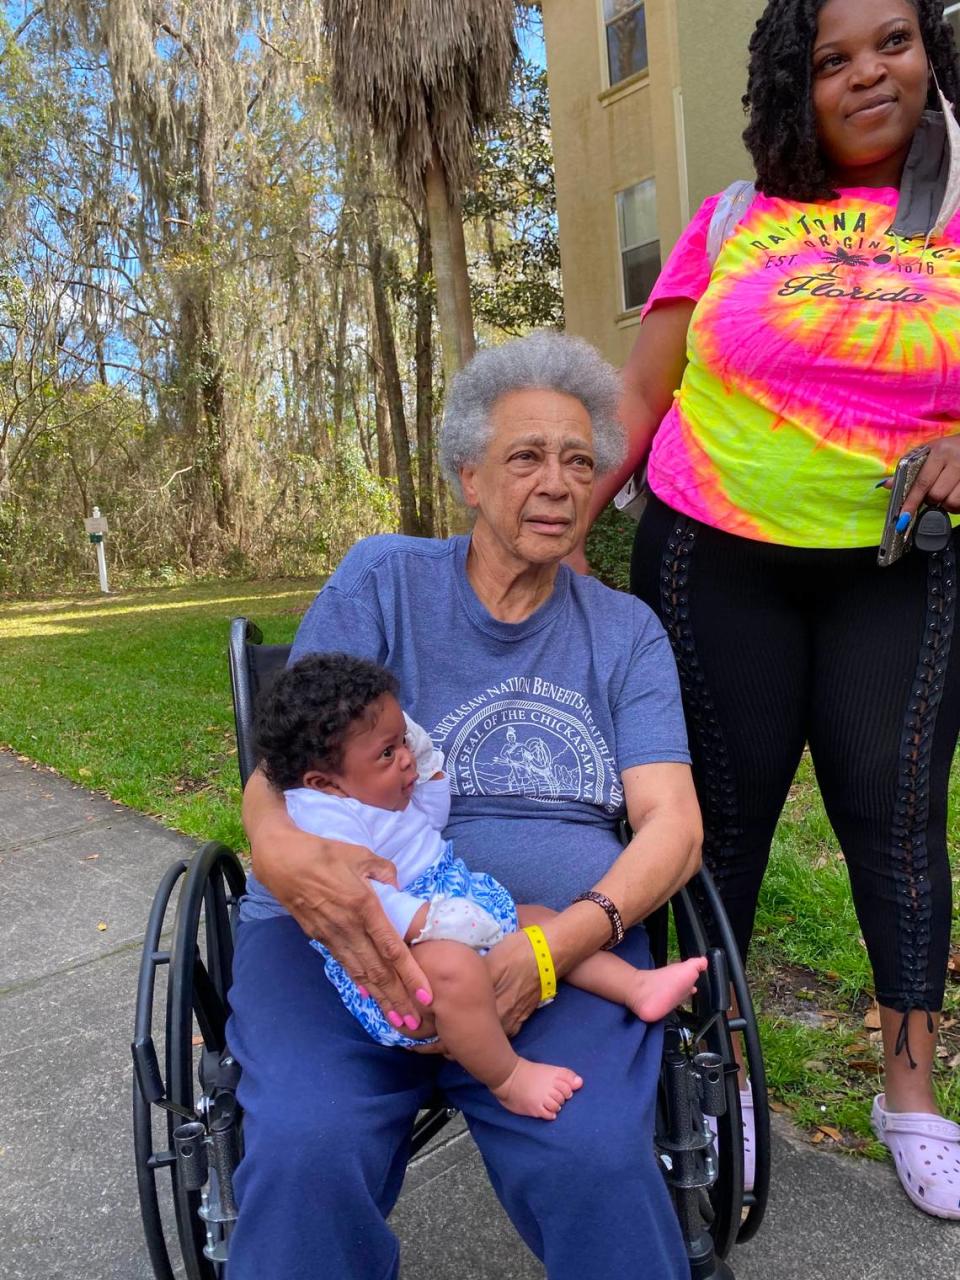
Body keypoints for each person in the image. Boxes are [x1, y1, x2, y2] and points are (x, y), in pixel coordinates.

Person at [578, 0, 960, 1220]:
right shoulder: (733, 220)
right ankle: (720, 1070)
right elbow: (645, 390)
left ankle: (910, 1093)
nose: (865, 75)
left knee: (896, 824)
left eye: (890, 43)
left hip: (902, 566)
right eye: (831, 59)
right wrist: (569, 522)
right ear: (796, 85)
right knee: (713, 830)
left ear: (931, 52)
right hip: (714, 560)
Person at [228, 330, 703, 1280]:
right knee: (306, 1145)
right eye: (525, 456)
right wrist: (279, 855)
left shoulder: (625, 633)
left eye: (579, 461)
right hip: (344, 930)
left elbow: (674, 827)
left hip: (552, 942)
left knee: (599, 1156)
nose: (558, 484)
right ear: (469, 479)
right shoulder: (385, 579)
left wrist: (555, 947)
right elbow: (281, 765)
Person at [253, 650, 707, 1121]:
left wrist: (423, 768)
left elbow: (428, 821)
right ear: (324, 782)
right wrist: (432, 922)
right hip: (399, 942)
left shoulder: (369, 784)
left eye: (403, 740)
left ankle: (635, 986)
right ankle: (508, 1078)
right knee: (454, 971)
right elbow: (360, 899)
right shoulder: (322, 816)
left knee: (540, 919)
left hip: (453, 899)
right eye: (388, 753)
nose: (405, 757)